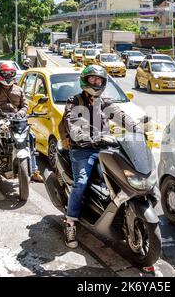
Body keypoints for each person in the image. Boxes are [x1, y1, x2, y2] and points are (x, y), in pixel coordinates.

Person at [62, 65, 141, 248]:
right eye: (92, 79)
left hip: (105, 148)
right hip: (82, 149)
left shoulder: (104, 102)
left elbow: (121, 116)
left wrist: (138, 129)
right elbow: (72, 124)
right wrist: (84, 136)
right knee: (81, 182)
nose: (96, 83)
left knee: (122, 176)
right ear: (84, 81)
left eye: (99, 80)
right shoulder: (74, 101)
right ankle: (70, 221)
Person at [0, 62, 43, 183]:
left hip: (17, 120)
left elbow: (25, 105)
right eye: (5, 74)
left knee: (30, 138)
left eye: (11, 74)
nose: (8, 76)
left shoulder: (19, 89)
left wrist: (21, 113)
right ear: (0, 75)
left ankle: (34, 170)